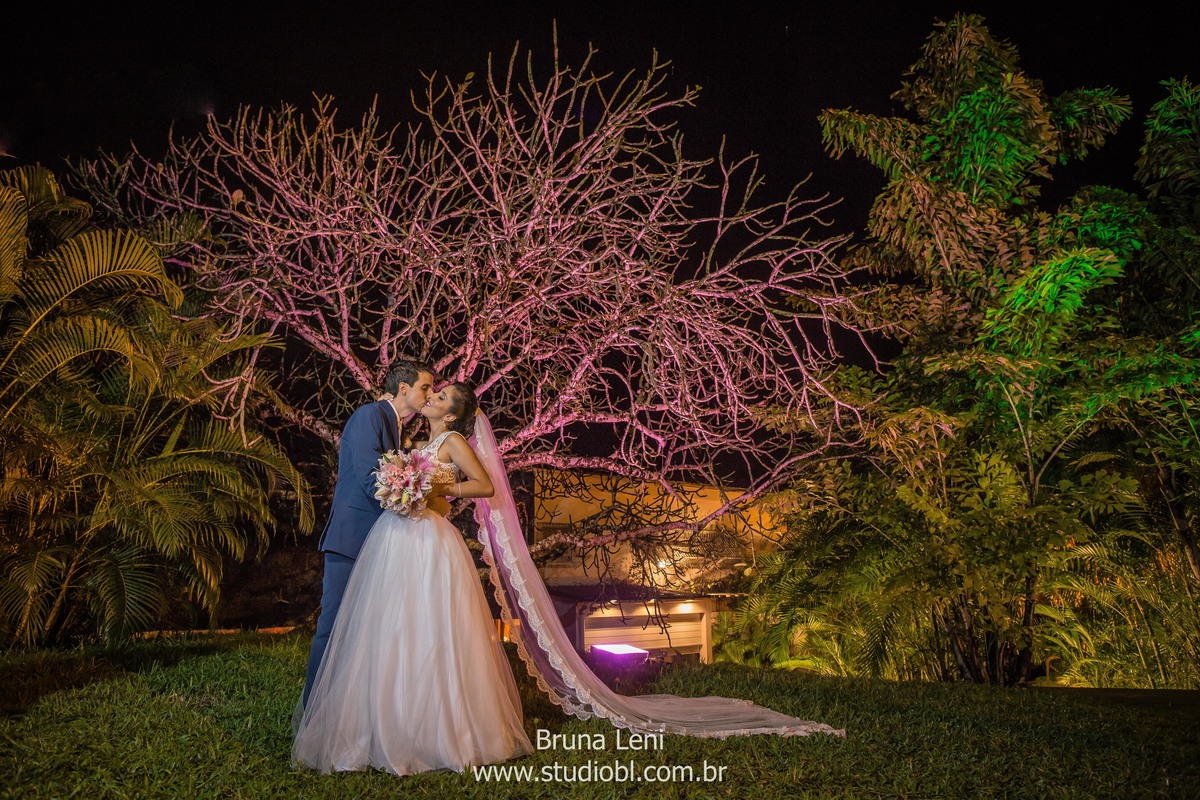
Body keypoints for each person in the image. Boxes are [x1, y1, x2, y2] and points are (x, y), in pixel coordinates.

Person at [292, 381, 533, 775]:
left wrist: (441, 486)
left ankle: (437, 727)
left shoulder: (454, 440)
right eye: (431, 392)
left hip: (429, 540)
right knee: (391, 627)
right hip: (396, 537)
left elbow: (485, 485)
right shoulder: (418, 442)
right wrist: (404, 485)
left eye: (439, 397)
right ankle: (392, 718)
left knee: (429, 625)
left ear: (452, 414)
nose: (432, 398)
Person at [300, 359, 434, 707]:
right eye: (425, 387)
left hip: (378, 542)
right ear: (403, 388)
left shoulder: (396, 427)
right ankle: (314, 709)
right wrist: (408, 499)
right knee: (332, 628)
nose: (429, 394)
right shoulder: (369, 416)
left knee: (365, 632)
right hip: (352, 539)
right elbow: (369, 476)